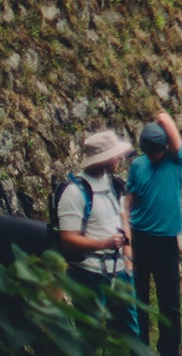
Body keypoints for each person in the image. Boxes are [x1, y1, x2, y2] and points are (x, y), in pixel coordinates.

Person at [55, 129, 139, 334]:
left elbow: (122, 219)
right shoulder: (74, 192)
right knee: (89, 334)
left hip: (119, 270)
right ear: (104, 158)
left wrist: (128, 260)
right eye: (115, 155)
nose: (119, 158)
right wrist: (105, 244)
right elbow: (67, 239)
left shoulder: (114, 184)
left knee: (129, 333)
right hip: (88, 273)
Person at [127, 111, 182, 356]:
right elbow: (128, 203)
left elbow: (166, 119)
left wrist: (162, 118)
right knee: (138, 302)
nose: (155, 156)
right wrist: (126, 243)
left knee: (169, 304)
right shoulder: (137, 166)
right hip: (139, 238)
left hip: (166, 243)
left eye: (159, 150)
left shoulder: (177, 160)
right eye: (151, 152)